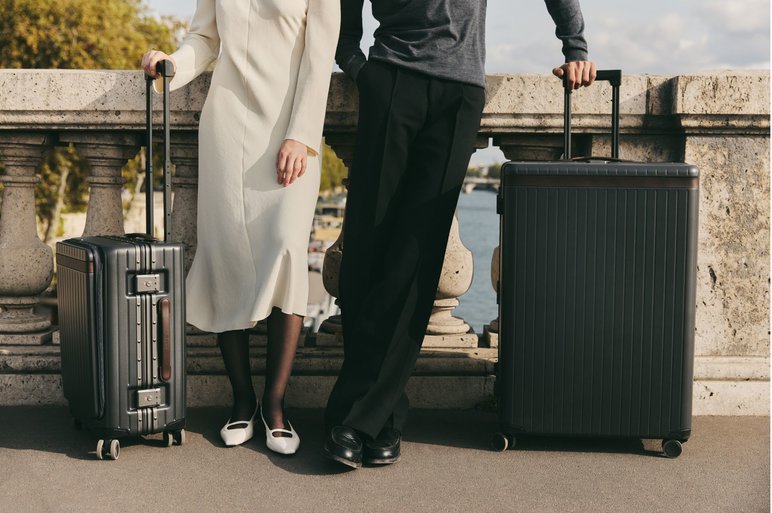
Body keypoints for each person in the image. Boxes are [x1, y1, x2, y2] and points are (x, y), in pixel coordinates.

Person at [322, 0, 596, 468]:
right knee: (365, 254)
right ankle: (379, 415)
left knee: (418, 259)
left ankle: (358, 418)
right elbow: (345, 29)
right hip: (389, 80)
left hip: (458, 95)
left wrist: (574, 45)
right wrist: (360, 68)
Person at [141, 0, 340, 455]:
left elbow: (320, 51)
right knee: (225, 253)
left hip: (290, 131)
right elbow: (205, 39)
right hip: (227, 127)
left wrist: (302, 132)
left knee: (287, 249)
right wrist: (170, 64)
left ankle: (275, 405)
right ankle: (242, 400)